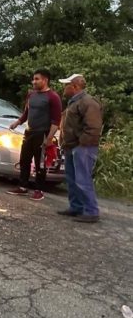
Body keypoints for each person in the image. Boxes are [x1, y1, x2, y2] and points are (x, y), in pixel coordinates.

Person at [7, 68, 62, 201]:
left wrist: (49, 138)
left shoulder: (53, 97)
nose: (34, 82)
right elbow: (26, 113)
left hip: (42, 133)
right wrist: (17, 122)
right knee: (24, 159)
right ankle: (22, 186)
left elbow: (56, 120)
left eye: (37, 79)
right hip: (29, 132)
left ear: (45, 80)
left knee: (40, 163)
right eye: (33, 79)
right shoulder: (31, 95)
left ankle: (39, 189)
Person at [57, 74, 103, 223]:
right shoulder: (74, 102)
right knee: (72, 179)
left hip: (83, 147)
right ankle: (76, 207)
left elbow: (93, 128)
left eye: (66, 85)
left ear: (75, 87)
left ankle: (91, 211)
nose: (64, 88)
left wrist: (81, 144)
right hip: (72, 147)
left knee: (83, 180)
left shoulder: (88, 102)